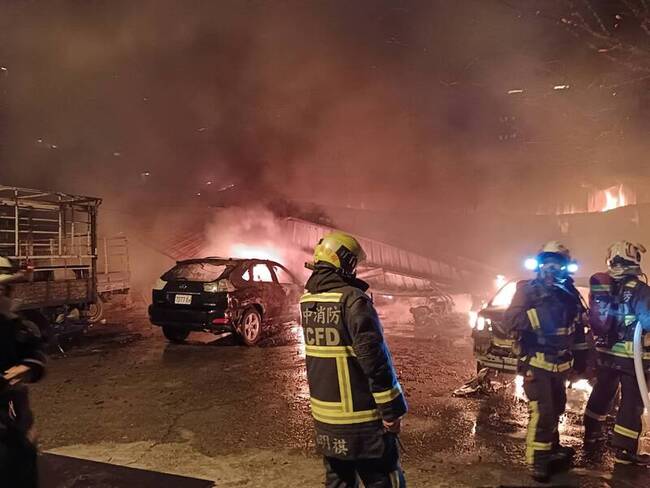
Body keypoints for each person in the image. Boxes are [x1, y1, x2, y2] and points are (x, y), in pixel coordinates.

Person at [300, 231, 407, 488]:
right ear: (345, 261)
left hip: (326, 420)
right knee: (383, 478)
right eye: (353, 263)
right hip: (361, 420)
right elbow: (375, 361)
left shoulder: (308, 300)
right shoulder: (353, 300)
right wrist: (391, 411)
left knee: (338, 481)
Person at [503, 241, 589, 482]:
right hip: (536, 363)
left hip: (560, 366)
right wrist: (542, 317)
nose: (552, 268)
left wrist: (581, 362)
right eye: (548, 262)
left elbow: (578, 331)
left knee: (557, 407)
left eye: (557, 264)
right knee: (543, 412)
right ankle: (537, 461)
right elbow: (510, 320)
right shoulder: (527, 290)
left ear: (565, 267)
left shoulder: (570, 294)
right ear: (540, 265)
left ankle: (552, 448)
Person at [583, 241, 650, 466]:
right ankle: (624, 449)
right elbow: (648, 321)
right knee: (631, 400)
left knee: (603, 391)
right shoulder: (639, 290)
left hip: (605, 354)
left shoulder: (603, 287)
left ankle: (591, 433)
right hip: (632, 358)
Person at [0, 256, 47, 487]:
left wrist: (27, 368)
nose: (3, 294)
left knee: (22, 467)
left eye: (5, 289)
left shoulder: (15, 325)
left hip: (16, 414)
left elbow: (34, 355)